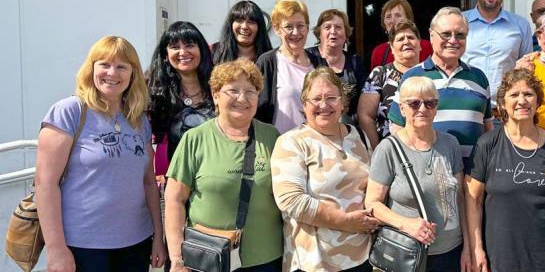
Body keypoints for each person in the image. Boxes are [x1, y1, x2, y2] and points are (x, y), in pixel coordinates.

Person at [35, 36, 165, 271]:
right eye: (104, 64)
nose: (112, 73)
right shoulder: (70, 112)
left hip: (136, 244)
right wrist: (56, 249)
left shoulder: (138, 120)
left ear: (132, 73)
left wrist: (158, 237)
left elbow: (148, 183)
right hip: (83, 247)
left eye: (122, 66)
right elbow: (45, 184)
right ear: (91, 68)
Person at [164, 59, 283, 271]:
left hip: (266, 259)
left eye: (251, 91)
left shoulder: (272, 137)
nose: (242, 98)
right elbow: (174, 200)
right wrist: (177, 257)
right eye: (233, 90)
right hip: (209, 259)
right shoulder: (195, 139)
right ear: (216, 95)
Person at [466, 68, 545, 272]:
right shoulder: (487, 144)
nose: (522, 101)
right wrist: (476, 248)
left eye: (528, 94)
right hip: (503, 257)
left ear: (538, 102)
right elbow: (473, 200)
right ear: (503, 104)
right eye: (514, 95)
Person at [271, 67, 379, 272]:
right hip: (315, 263)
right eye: (316, 99)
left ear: (343, 102)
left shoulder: (358, 136)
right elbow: (291, 201)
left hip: (362, 259)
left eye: (331, 98)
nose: (323, 105)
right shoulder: (292, 142)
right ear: (304, 103)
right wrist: (346, 222)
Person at [365, 76, 470, 271]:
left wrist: (468, 248)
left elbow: (460, 198)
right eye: (414, 103)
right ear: (402, 108)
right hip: (407, 253)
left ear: (436, 107)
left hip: (451, 252)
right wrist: (406, 224)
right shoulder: (388, 148)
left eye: (430, 103)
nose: (422, 109)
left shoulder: (450, 143)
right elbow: (372, 203)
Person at [389, 7, 493, 169]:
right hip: (426, 173)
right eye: (445, 34)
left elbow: (488, 128)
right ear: (431, 36)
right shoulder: (412, 76)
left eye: (460, 35)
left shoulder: (479, 77)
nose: (453, 40)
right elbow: (396, 127)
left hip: (473, 176)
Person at [147, 21, 216, 168]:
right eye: (175, 47)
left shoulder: (219, 85)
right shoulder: (154, 92)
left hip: (216, 173)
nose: (183, 52)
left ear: (201, 49)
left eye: (189, 45)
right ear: (166, 54)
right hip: (174, 177)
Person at [462, 0, 533, 101]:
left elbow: (526, 71)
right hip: (467, 107)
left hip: (505, 110)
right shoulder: (459, 22)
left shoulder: (521, 25)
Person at [357, 21, 423, 148]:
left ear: (420, 44)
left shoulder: (429, 74)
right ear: (392, 48)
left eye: (411, 37)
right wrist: (378, 151)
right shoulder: (379, 74)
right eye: (400, 39)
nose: (406, 41)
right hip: (389, 150)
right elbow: (365, 116)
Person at [256, 0, 313, 132]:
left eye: (300, 26)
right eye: (288, 27)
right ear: (277, 29)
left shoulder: (320, 63)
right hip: (279, 146)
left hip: (314, 145)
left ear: (307, 27)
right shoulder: (267, 62)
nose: (295, 32)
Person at [305, 8, 367, 123]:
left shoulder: (355, 61)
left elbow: (364, 99)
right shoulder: (308, 57)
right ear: (319, 33)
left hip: (349, 127)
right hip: (316, 123)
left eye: (338, 27)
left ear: (346, 34)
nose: (333, 31)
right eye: (327, 27)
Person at [369, 0, 433, 69]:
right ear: (384, 24)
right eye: (388, 17)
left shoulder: (427, 46)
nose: (392, 20)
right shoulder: (379, 52)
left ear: (409, 19)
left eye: (398, 15)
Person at [211, 0, 273, 64]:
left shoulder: (272, 57)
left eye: (251, 22)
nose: (244, 27)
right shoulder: (214, 52)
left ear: (259, 27)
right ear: (230, 24)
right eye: (239, 21)